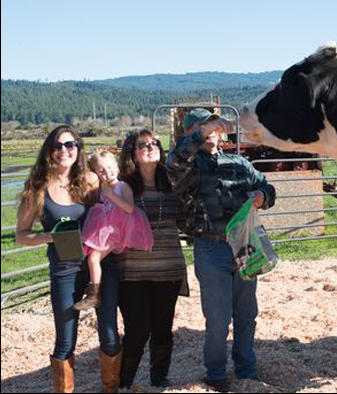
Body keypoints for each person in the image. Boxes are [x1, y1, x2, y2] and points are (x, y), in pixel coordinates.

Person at [167, 108, 276, 393]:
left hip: (243, 243)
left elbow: (267, 186)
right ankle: (215, 373)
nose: (212, 132)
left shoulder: (239, 163)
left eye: (214, 127)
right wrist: (203, 131)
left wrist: (263, 196)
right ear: (190, 134)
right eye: (203, 128)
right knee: (218, 316)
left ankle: (246, 369)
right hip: (211, 246)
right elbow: (176, 163)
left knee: (246, 312)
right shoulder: (190, 167)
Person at [16, 125, 122, 393]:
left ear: (78, 148)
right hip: (64, 269)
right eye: (58, 146)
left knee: (109, 335)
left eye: (70, 145)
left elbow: (113, 210)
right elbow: (21, 235)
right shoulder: (37, 190)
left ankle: (110, 388)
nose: (64, 150)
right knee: (65, 340)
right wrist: (51, 237)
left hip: (100, 266)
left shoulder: (91, 182)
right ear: (49, 151)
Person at [115, 129, 189, 389]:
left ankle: (159, 380)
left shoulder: (172, 183)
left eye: (154, 143)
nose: (150, 147)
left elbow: (187, 216)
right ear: (132, 153)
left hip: (168, 268)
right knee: (136, 330)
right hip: (131, 271)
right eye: (142, 144)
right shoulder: (123, 187)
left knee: (162, 329)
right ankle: (124, 382)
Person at [74, 151, 153, 311]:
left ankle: (93, 294)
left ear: (116, 168)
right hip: (104, 228)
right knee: (89, 255)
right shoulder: (101, 188)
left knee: (94, 258)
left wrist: (111, 196)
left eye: (109, 168)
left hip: (117, 230)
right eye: (101, 170)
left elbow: (129, 208)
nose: (106, 172)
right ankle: (91, 288)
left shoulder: (122, 187)